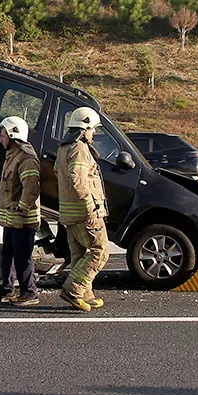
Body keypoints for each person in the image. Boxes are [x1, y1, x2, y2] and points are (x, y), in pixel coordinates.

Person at [57, 107, 109, 312]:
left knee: (79, 255)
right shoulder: (79, 149)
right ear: (84, 127)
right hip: (85, 212)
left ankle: (86, 294)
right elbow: (76, 178)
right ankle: (73, 290)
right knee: (100, 252)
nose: (94, 133)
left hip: (69, 213)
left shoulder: (63, 148)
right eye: (93, 129)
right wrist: (90, 205)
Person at [0, 116, 41, 306]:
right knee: (8, 255)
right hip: (11, 219)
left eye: (3, 135)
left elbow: (31, 189)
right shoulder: (11, 157)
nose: (0, 139)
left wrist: (21, 210)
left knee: (23, 257)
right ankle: (7, 288)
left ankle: (30, 292)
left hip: (23, 220)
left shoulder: (27, 160)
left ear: (13, 136)